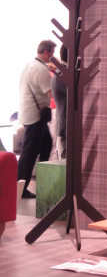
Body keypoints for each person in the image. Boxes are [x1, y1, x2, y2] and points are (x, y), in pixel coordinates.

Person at [17, 40, 56, 198]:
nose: (52, 56)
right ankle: (21, 189)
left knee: (46, 144)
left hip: (30, 114)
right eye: (52, 52)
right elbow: (50, 93)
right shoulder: (41, 69)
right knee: (30, 153)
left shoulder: (30, 65)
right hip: (36, 116)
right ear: (46, 52)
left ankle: (39, 182)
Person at [51, 45, 67, 160]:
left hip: (64, 126)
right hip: (64, 127)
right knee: (65, 162)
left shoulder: (61, 73)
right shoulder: (61, 75)